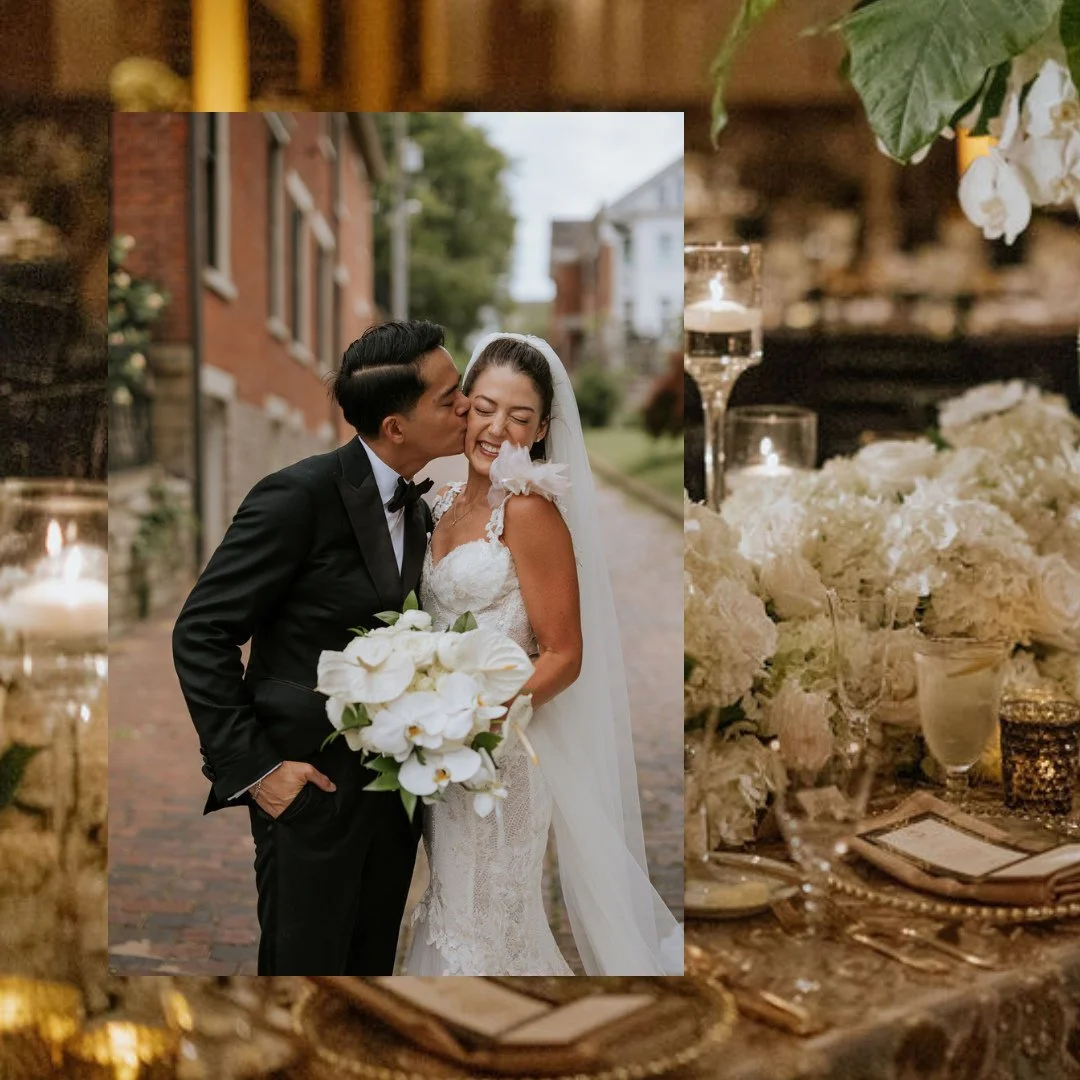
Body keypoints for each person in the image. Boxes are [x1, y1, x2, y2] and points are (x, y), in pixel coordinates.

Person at [172, 319, 469, 975]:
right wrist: (258, 772)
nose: (466, 406)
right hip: (308, 793)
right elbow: (201, 631)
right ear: (396, 426)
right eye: (449, 398)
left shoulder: (421, 512)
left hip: (393, 802)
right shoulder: (297, 496)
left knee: (368, 978)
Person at [406, 332, 683, 975]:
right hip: (441, 759)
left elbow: (564, 653)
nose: (496, 428)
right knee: (452, 910)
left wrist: (479, 720)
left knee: (488, 925)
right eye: (484, 407)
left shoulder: (528, 513)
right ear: (463, 407)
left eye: (519, 417)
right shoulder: (441, 506)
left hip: (498, 759)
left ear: (542, 429)